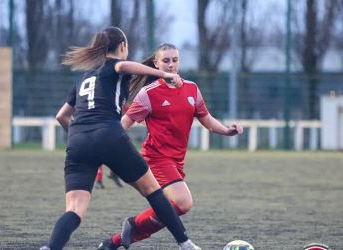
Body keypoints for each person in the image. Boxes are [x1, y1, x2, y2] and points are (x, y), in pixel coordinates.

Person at [40, 27, 201, 250]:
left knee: (74, 210)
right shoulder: (114, 66)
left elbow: (61, 116)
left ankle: (50, 248)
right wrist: (164, 74)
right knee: (153, 192)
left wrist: (82, 138)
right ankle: (186, 244)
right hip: (109, 134)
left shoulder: (84, 77)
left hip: (78, 140)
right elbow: (123, 66)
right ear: (122, 46)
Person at [98, 43, 243, 249]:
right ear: (156, 64)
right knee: (183, 203)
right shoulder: (149, 94)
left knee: (171, 209)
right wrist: (112, 150)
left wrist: (228, 131)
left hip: (177, 161)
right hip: (156, 158)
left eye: (175, 60)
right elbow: (124, 125)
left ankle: (113, 242)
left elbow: (207, 120)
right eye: (165, 61)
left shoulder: (192, 89)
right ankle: (134, 226)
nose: (171, 65)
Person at [56, 91, 123, 189]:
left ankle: (109, 175)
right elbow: (62, 116)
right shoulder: (89, 97)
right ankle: (104, 177)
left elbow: (61, 116)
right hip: (94, 133)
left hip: (82, 137)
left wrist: (74, 135)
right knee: (100, 154)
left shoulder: (82, 93)